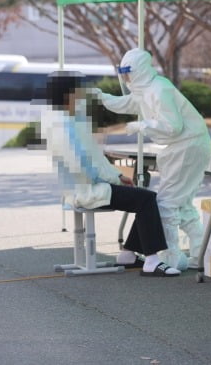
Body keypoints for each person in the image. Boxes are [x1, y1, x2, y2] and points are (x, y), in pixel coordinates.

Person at [39, 71, 180, 277]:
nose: (82, 95)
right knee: (147, 199)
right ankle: (151, 260)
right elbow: (88, 165)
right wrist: (115, 177)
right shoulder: (67, 125)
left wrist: (116, 176)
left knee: (142, 198)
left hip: (79, 188)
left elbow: (92, 158)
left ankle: (128, 255)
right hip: (88, 190)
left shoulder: (57, 121)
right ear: (69, 95)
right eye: (79, 91)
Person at [93, 49, 211, 270]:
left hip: (187, 145)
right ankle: (201, 252)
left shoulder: (160, 89)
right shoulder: (146, 89)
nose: (126, 79)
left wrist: (142, 126)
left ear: (138, 71)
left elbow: (172, 126)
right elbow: (128, 103)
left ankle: (171, 257)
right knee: (181, 203)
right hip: (185, 146)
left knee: (166, 203)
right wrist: (102, 98)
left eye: (128, 73)